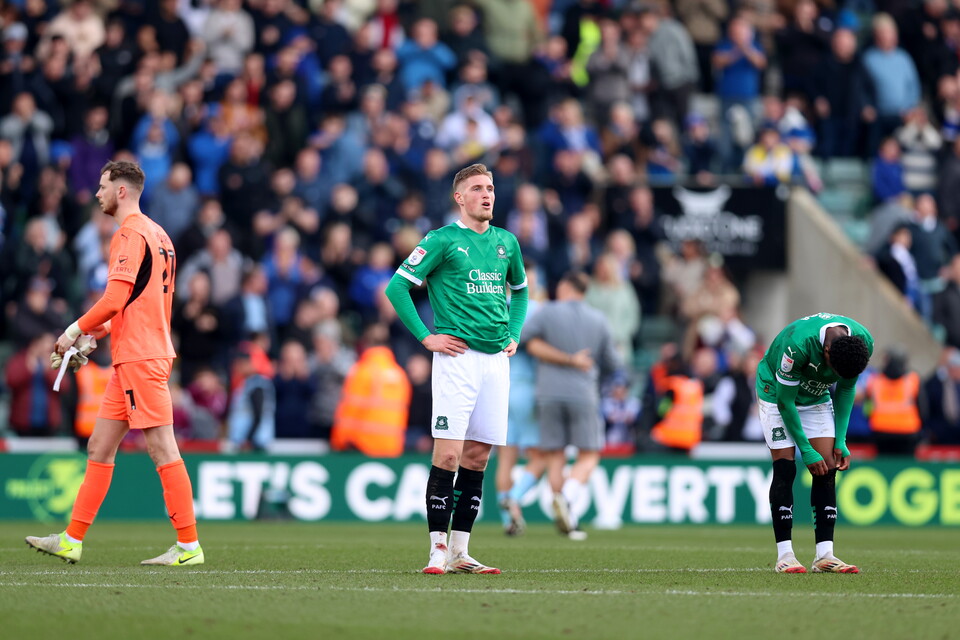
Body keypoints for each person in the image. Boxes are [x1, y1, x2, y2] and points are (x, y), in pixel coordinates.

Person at [26, 161, 203, 566]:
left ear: (121, 191)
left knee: (161, 448)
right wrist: (95, 337)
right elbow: (141, 303)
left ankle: (189, 546)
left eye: (102, 186)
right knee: (100, 446)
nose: (96, 194)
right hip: (136, 354)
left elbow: (113, 299)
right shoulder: (161, 236)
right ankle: (72, 539)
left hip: (142, 357)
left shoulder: (129, 233)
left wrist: (72, 330)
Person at [384, 163, 528, 574]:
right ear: (459, 198)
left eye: (492, 188)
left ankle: (461, 552)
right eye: (478, 189)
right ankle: (436, 549)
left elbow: (520, 292)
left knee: (479, 457)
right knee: (448, 454)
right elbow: (397, 287)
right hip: (456, 359)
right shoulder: (441, 240)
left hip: (496, 361)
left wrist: (514, 332)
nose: (488, 195)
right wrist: (426, 337)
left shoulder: (507, 243)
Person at [756, 312, 873, 574]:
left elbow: (845, 389)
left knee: (828, 465)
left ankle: (824, 556)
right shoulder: (797, 346)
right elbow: (786, 403)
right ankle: (785, 555)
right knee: (786, 467)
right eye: (832, 367)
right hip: (775, 393)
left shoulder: (861, 343)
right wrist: (806, 449)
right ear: (826, 350)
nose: (833, 374)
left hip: (816, 396)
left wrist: (841, 440)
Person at [524, 271, 620, 539]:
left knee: (555, 456)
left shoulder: (546, 312)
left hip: (548, 394)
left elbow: (521, 339)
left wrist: (559, 356)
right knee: (589, 454)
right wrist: (576, 360)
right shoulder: (599, 319)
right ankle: (566, 499)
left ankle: (568, 517)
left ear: (565, 286)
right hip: (583, 394)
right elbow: (613, 363)